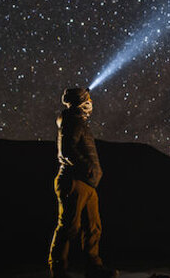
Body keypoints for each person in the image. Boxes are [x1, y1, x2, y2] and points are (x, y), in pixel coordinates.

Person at [48, 88, 118, 278]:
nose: (90, 102)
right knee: (69, 227)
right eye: (87, 99)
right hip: (75, 181)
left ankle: (94, 267)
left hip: (86, 184)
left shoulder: (77, 122)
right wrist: (85, 168)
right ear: (80, 102)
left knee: (93, 227)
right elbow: (66, 151)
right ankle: (58, 270)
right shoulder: (72, 121)